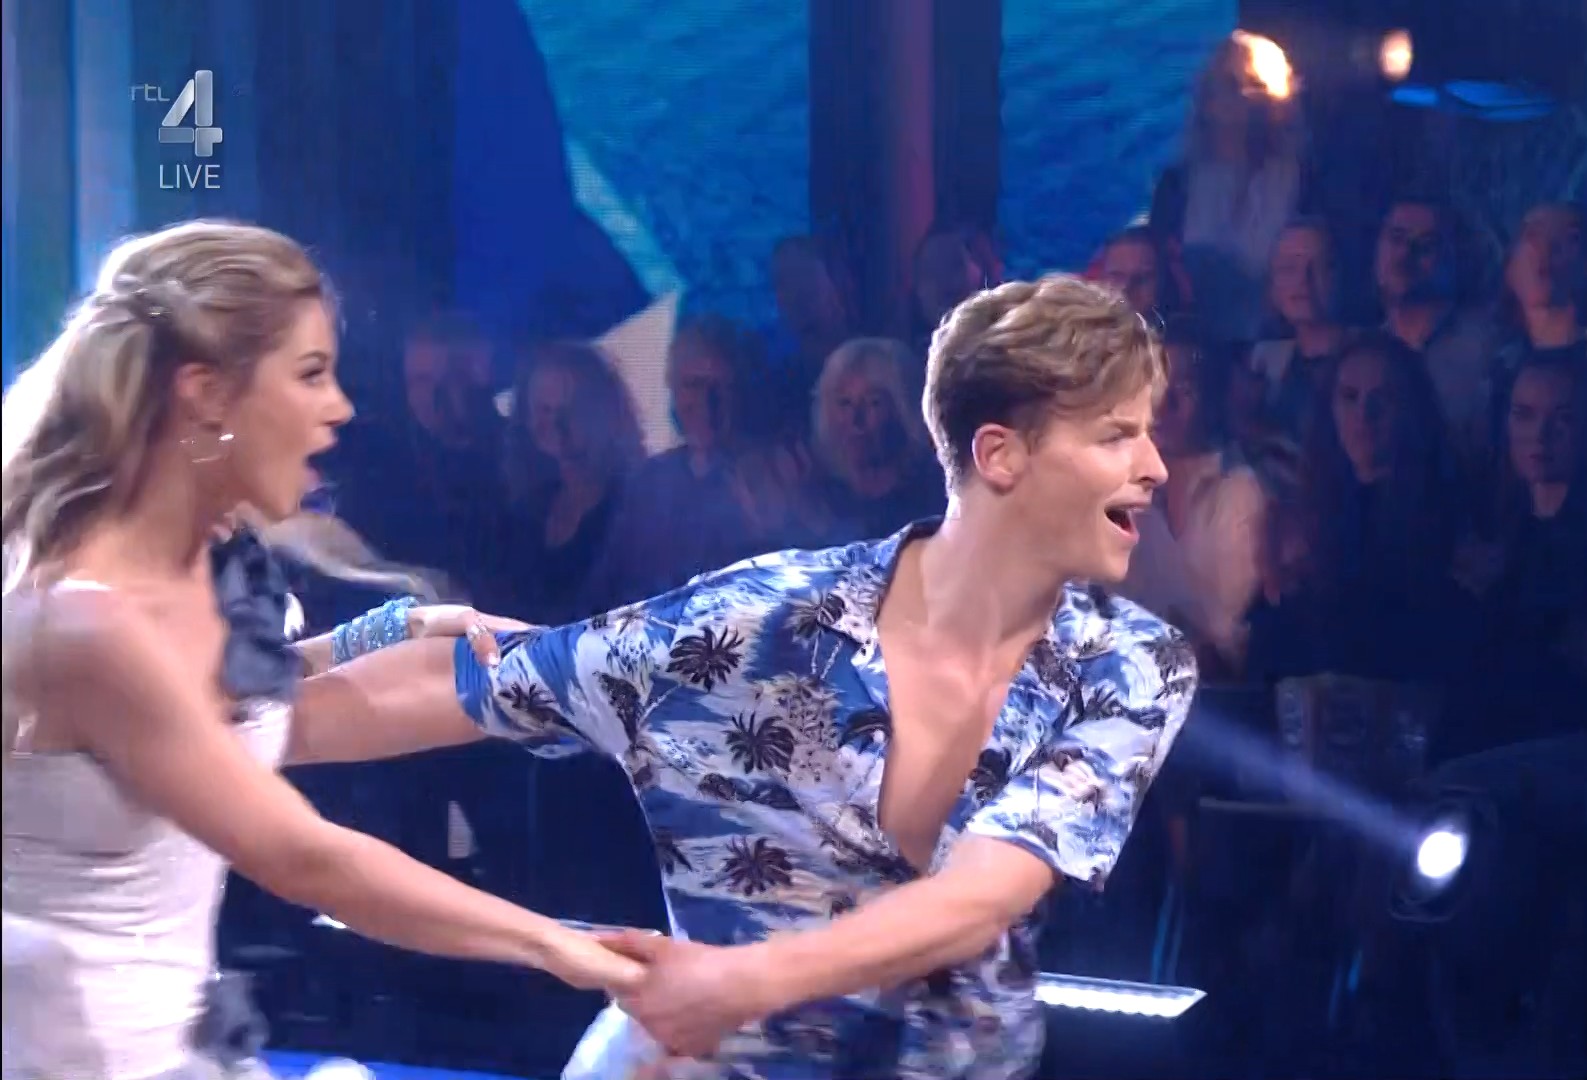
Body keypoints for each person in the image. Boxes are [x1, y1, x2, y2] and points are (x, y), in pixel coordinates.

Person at [298, 275, 1199, 1079]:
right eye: (1117, 436)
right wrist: (246, 732)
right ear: (1000, 454)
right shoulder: (761, 621)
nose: (1155, 467)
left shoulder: (1132, 664)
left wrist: (736, 983)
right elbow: (492, 674)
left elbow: (983, 896)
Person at [0, 220, 646, 1080]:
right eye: (310, 374)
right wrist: (567, 948)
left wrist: (405, 628)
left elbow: (245, 705)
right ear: (205, 394)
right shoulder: (82, 626)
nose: (340, 406)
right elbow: (307, 858)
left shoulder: (194, 575)